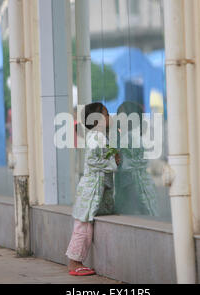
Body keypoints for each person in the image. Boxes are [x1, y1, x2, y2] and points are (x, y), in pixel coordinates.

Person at [66, 102, 120, 276]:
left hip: (94, 189)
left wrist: (112, 156)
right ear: (97, 120)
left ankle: (76, 261)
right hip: (91, 189)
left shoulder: (100, 136)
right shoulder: (97, 137)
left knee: (85, 224)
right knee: (83, 226)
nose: (109, 117)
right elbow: (92, 160)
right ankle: (74, 262)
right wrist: (113, 162)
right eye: (105, 114)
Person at [114, 101, 158, 217]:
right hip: (130, 184)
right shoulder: (130, 137)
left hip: (134, 185)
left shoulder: (130, 138)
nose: (117, 118)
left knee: (144, 214)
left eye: (121, 116)